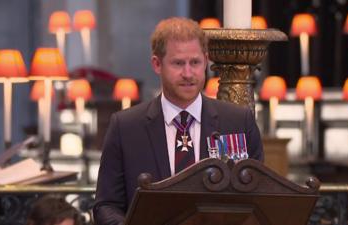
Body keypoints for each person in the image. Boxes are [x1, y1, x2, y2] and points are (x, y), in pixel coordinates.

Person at [93, 17, 263, 225]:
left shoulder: (238, 121)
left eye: (195, 62)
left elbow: (258, 199)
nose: (188, 73)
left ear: (206, 61)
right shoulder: (125, 127)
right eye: (178, 63)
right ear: (157, 64)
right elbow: (106, 205)